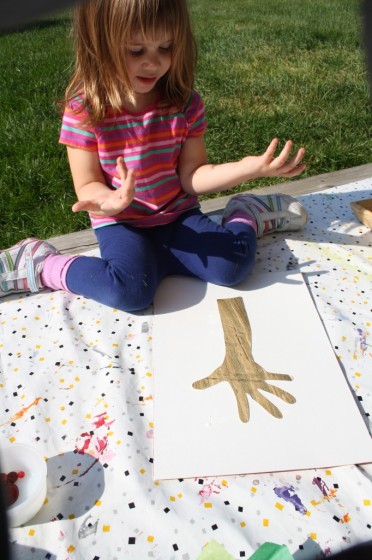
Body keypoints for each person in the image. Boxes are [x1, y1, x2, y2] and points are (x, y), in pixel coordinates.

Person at [0, 0, 307, 313]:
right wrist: (111, 200)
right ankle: (39, 264)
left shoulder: (184, 104)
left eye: (166, 46)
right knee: (130, 293)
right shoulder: (85, 112)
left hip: (178, 216)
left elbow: (192, 176)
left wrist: (247, 169)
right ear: (99, 44)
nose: (155, 62)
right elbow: (87, 185)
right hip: (122, 225)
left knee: (233, 268)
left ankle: (247, 213)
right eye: (136, 50)